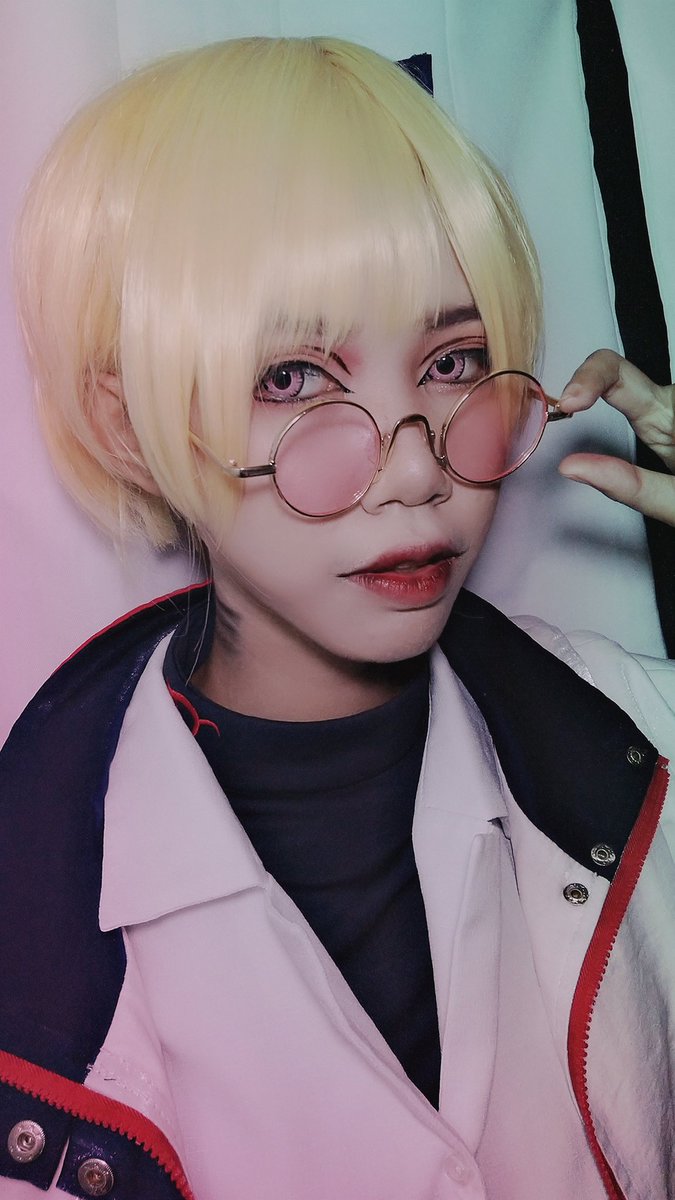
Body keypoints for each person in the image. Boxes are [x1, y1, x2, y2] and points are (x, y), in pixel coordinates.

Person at [1, 36, 673, 1200]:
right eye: (294, 377)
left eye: (454, 361)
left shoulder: (643, 729)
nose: (416, 470)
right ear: (128, 426)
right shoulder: (31, 907)